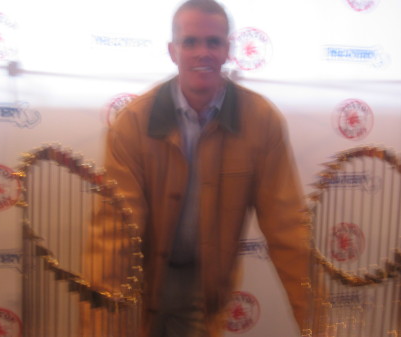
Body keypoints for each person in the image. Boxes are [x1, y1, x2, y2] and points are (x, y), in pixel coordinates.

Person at [89, 0, 310, 336]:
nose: (202, 52)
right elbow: (114, 233)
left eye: (213, 42)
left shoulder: (261, 121)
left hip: (204, 289)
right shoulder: (132, 123)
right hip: (140, 283)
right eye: (190, 42)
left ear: (228, 50)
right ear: (172, 50)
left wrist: (317, 323)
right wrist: (100, 323)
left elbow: (289, 230)